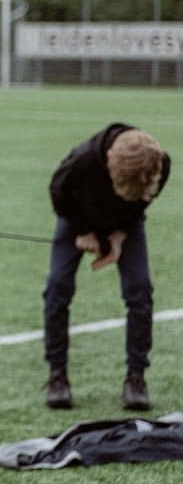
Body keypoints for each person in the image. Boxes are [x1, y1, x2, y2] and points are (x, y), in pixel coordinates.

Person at [43, 123, 171, 412]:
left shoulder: (159, 164)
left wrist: (120, 234)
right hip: (76, 218)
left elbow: (143, 200)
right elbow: (58, 193)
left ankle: (136, 378)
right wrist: (83, 231)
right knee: (57, 286)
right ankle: (57, 376)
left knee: (139, 289)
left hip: (126, 224)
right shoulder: (82, 162)